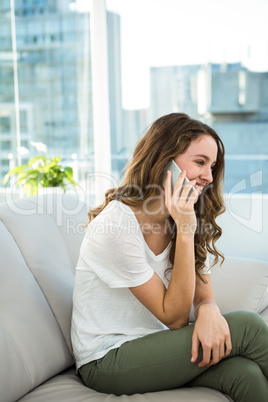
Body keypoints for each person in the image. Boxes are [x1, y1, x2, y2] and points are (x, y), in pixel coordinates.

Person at [71, 113, 268, 401]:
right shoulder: (116, 227)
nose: (209, 177)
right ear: (164, 160)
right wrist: (186, 230)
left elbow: (204, 296)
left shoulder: (183, 216)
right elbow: (174, 318)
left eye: (212, 167)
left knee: (244, 374)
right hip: (105, 360)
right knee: (247, 327)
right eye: (200, 162)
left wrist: (208, 308)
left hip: (153, 343)